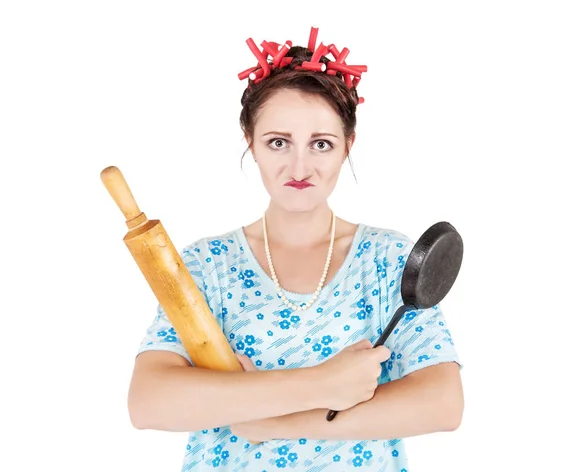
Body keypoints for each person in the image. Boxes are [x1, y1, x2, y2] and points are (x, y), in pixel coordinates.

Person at [127, 26, 464, 471]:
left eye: (320, 144)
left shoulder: (388, 261)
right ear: (251, 142)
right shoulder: (206, 265)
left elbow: (442, 403)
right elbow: (149, 403)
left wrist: (276, 420)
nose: (300, 166)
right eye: (278, 142)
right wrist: (322, 383)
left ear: (348, 145)